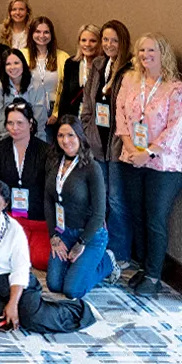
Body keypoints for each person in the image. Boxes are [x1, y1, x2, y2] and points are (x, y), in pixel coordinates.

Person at [0, 180, 96, 334]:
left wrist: (13, 303)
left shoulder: (14, 230)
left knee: (34, 319)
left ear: (5, 205)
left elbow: (20, 270)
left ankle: (78, 310)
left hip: (13, 280)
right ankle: (15, 312)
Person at [110, 33, 182, 296]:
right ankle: (144, 266)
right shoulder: (130, 81)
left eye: (151, 50)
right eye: (142, 51)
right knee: (137, 214)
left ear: (162, 53)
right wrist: (133, 150)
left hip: (164, 165)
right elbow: (120, 116)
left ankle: (154, 275)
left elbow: (175, 128)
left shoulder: (176, 88)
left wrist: (150, 153)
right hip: (132, 158)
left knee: (155, 217)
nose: (145, 55)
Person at [45, 116, 118, 299]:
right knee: (54, 285)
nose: (65, 140)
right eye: (61, 135)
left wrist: (81, 243)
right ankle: (79, 268)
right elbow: (48, 200)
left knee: (72, 290)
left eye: (70, 135)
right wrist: (53, 236)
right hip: (64, 232)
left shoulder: (92, 168)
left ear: (80, 137)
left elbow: (99, 212)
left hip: (90, 236)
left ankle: (107, 262)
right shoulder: (54, 162)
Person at [0, 100, 51, 270]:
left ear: (30, 123)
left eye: (20, 123)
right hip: (11, 219)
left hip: (38, 220)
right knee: (6, 258)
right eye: (10, 123)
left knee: (41, 260)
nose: (14, 128)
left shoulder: (45, 151)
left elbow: (50, 190)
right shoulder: (0, 149)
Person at [80, 20, 133, 187]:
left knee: (116, 199)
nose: (109, 44)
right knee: (100, 193)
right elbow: (88, 102)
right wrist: (88, 129)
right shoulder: (98, 64)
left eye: (114, 40)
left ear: (123, 42)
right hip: (97, 140)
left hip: (117, 141)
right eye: (105, 39)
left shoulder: (131, 69)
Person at [0, 49, 51, 142]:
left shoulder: (36, 85)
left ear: (23, 64)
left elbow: (39, 118)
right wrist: (14, 136)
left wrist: (27, 137)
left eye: (16, 63)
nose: (12, 67)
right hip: (7, 137)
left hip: (34, 136)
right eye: (8, 64)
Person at [26, 16, 70, 122]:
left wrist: (56, 114)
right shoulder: (22, 55)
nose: (42, 36)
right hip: (29, 111)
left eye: (46, 32)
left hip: (53, 112)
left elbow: (67, 90)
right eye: (37, 32)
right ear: (31, 33)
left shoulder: (63, 57)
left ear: (51, 35)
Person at [58, 25, 102, 120]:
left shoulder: (105, 66)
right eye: (83, 40)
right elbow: (65, 96)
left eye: (93, 41)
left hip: (97, 121)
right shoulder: (71, 63)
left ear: (100, 43)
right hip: (74, 120)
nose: (87, 44)